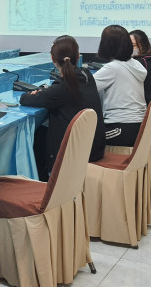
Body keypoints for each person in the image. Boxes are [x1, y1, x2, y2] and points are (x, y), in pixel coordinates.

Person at [20, 35, 106, 180]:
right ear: (78, 56)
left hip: (71, 158)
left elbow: (25, 99)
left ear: (52, 59)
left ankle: (44, 185)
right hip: (94, 150)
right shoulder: (87, 76)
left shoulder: (61, 88)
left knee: (38, 137)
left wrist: (39, 93)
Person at [92, 25, 148, 147]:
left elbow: (86, 87)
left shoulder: (113, 68)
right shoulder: (136, 64)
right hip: (139, 127)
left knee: (84, 139)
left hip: (121, 128)